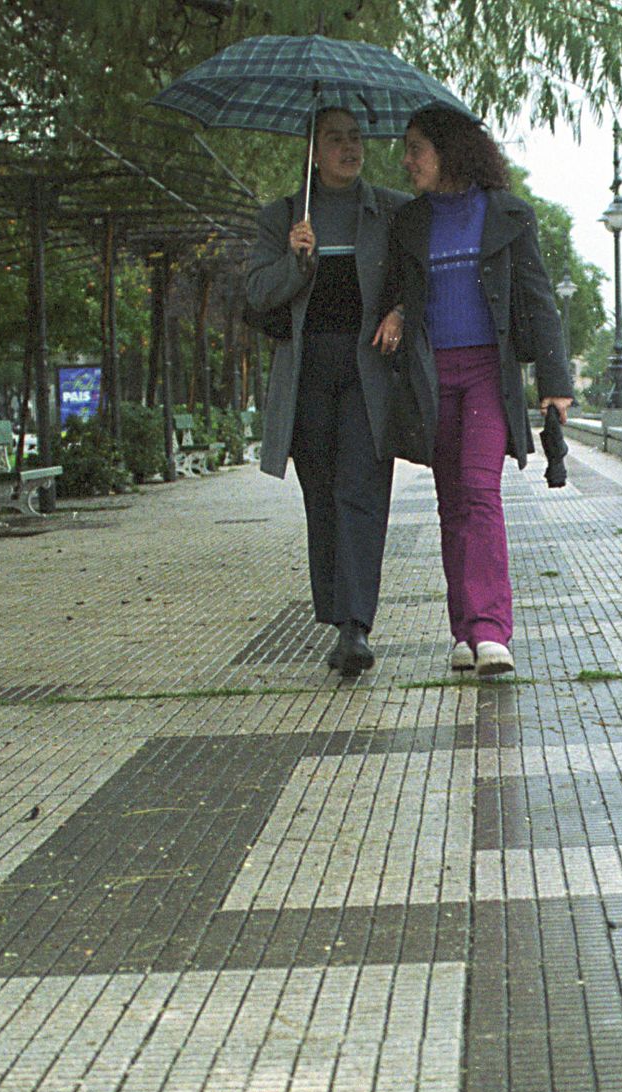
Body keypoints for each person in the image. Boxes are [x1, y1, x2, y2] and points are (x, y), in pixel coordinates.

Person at [373, 106, 573, 676]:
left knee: (481, 491)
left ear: (450, 151)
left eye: (416, 149)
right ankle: (463, 629)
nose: (407, 161)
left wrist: (555, 383)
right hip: (432, 377)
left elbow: (537, 296)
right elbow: (398, 287)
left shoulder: (508, 214)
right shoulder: (409, 221)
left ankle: (490, 630)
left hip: (488, 373)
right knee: (451, 502)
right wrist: (397, 309)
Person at [245, 108, 410, 676]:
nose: (349, 148)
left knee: (362, 490)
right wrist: (297, 261)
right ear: (313, 151)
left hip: (368, 372)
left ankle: (356, 626)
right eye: (336, 139)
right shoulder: (284, 217)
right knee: (322, 497)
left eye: (356, 137)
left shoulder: (390, 210)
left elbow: (419, 278)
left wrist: (399, 310)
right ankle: (338, 614)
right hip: (307, 375)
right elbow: (258, 293)